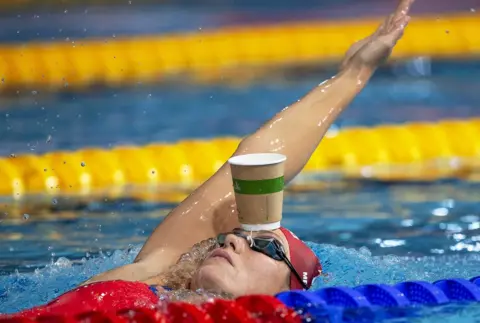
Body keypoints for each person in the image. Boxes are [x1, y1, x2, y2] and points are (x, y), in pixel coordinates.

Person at [6, 0, 414, 317]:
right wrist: (352, 75)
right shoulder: (156, 273)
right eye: (232, 237)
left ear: (290, 290)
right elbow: (254, 164)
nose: (235, 239)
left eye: (267, 249)